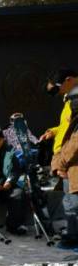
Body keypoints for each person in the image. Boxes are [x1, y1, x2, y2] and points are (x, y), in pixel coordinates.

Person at [42, 69, 78, 248]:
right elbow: (67, 127)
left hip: (71, 159)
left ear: (69, 80)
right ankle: (72, 234)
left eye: (57, 89)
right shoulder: (70, 100)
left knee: (72, 202)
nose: (58, 93)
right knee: (70, 200)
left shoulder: (76, 100)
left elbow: (77, 137)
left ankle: (73, 238)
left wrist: (62, 161)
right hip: (67, 156)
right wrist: (53, 131)